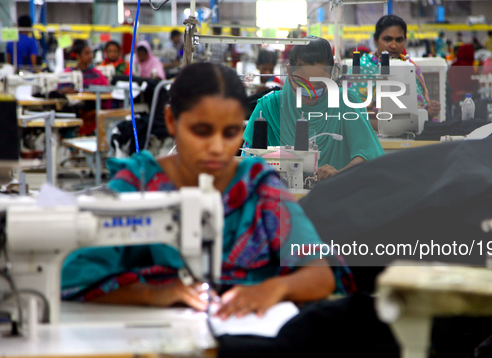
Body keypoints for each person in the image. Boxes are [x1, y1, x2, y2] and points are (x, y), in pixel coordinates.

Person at [61, 62, 353, 315]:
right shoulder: (137, 184)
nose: (217, 148)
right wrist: (153, 294)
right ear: (172, 121)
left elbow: (321, 273)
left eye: (230, 133)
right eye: (201, 131)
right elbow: (74, 275)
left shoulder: (258, 186)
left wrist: (275, 288)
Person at [243, 36, 384, 181]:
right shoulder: (268, 107)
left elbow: (368, 156)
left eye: (319, 87)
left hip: (334, 196)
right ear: (289, 72)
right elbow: (246, 161)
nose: (310, 95)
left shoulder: (346, 102)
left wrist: (340, 175)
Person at [348, 15, 441, 129]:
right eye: (387, 39)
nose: (393, 45)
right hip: (372, 138)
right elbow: (351, 115)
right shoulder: (361, 69)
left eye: (399, 40)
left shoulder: (412, 68)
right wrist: (390, 125)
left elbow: (417, 107)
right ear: (376, 40)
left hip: (409, 137)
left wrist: (428, 110)